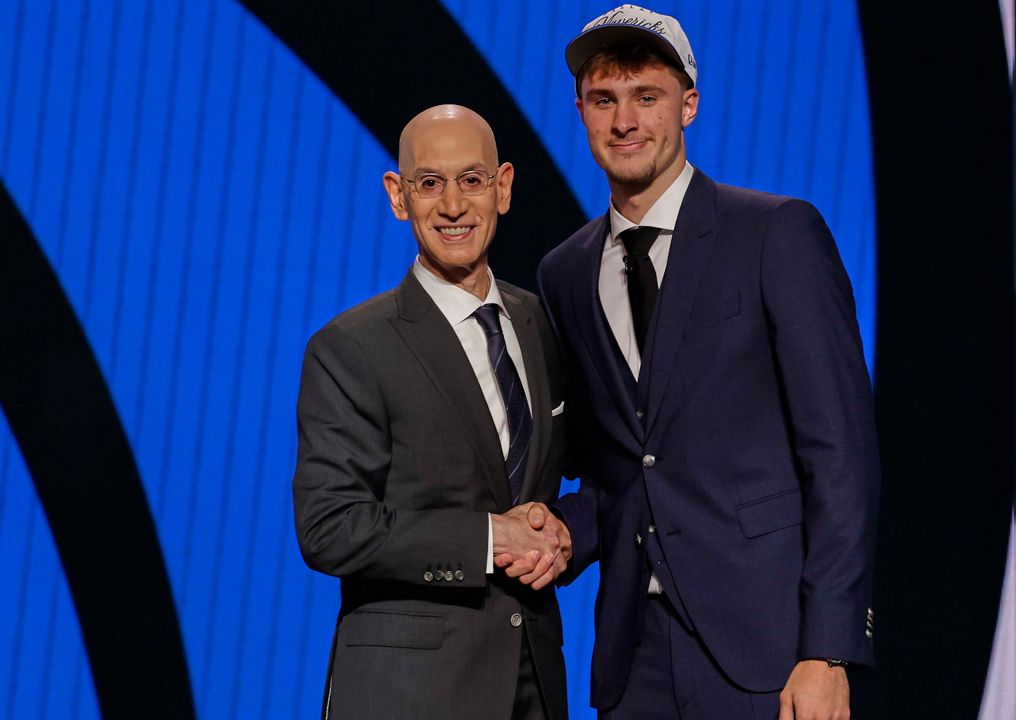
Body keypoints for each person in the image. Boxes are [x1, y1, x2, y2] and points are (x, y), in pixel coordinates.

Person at [535, 6, 882, 720]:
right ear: (580, 112)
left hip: (769, 653)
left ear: (688, 104)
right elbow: (621, 468)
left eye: (647, 97)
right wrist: (559, 533)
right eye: (605, 100)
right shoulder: (565, 272)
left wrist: (828, 650)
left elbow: (840, 454)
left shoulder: (775, 233)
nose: (625, 120)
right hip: (633, 658)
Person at [292, 105, 573, 720]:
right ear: (398, 196)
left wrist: (562, 534)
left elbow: (584, 474)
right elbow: (329, 526)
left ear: (503, 188)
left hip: (534, 680)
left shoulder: (541, 326)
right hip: (408, 691)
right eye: (429, 183)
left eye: (471, 180)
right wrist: (487, 537)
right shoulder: (352, 346)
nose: (452, 206)